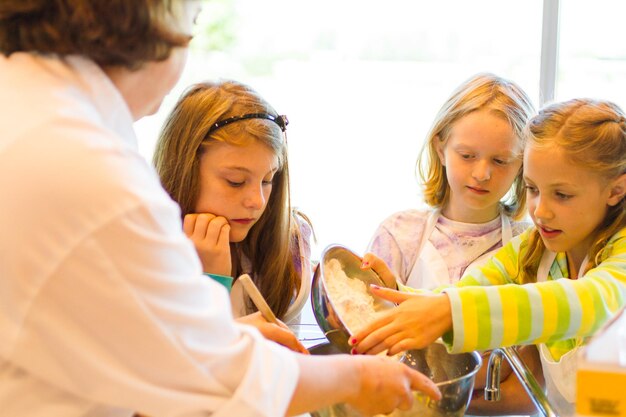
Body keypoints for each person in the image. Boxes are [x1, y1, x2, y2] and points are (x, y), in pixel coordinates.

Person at [0, 1, 441, 416]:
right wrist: (355, 376)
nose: (255, 200)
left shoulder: (33, 113)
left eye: (268, 181)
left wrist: (234, 338)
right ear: (152, 22)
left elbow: (139, 346)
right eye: (189, 24)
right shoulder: (85, 171)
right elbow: (202, 374)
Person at [352, 98, 626, 417]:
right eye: (533, 189)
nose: (540, 210)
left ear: (616, 191)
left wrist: (450, 312)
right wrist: (395, 296)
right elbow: (466, 294)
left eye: (562, 195)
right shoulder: (534, 249)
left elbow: (588, 304)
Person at [364, 72, 542, 414]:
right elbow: (370, 349)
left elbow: (526, 392)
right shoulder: (399, 235)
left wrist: (429, 389)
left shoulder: (530, 246)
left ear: (523, 165)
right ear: (440, 147)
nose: (482, 173)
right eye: (467, 155)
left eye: (501, 161)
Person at [153, 80, 313, 326]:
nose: (257, 201)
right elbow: (181, 355)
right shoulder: (147, 251)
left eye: (268, 180)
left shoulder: (290, 244)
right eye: (235, 181)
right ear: (185, 171)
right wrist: (211, 279)